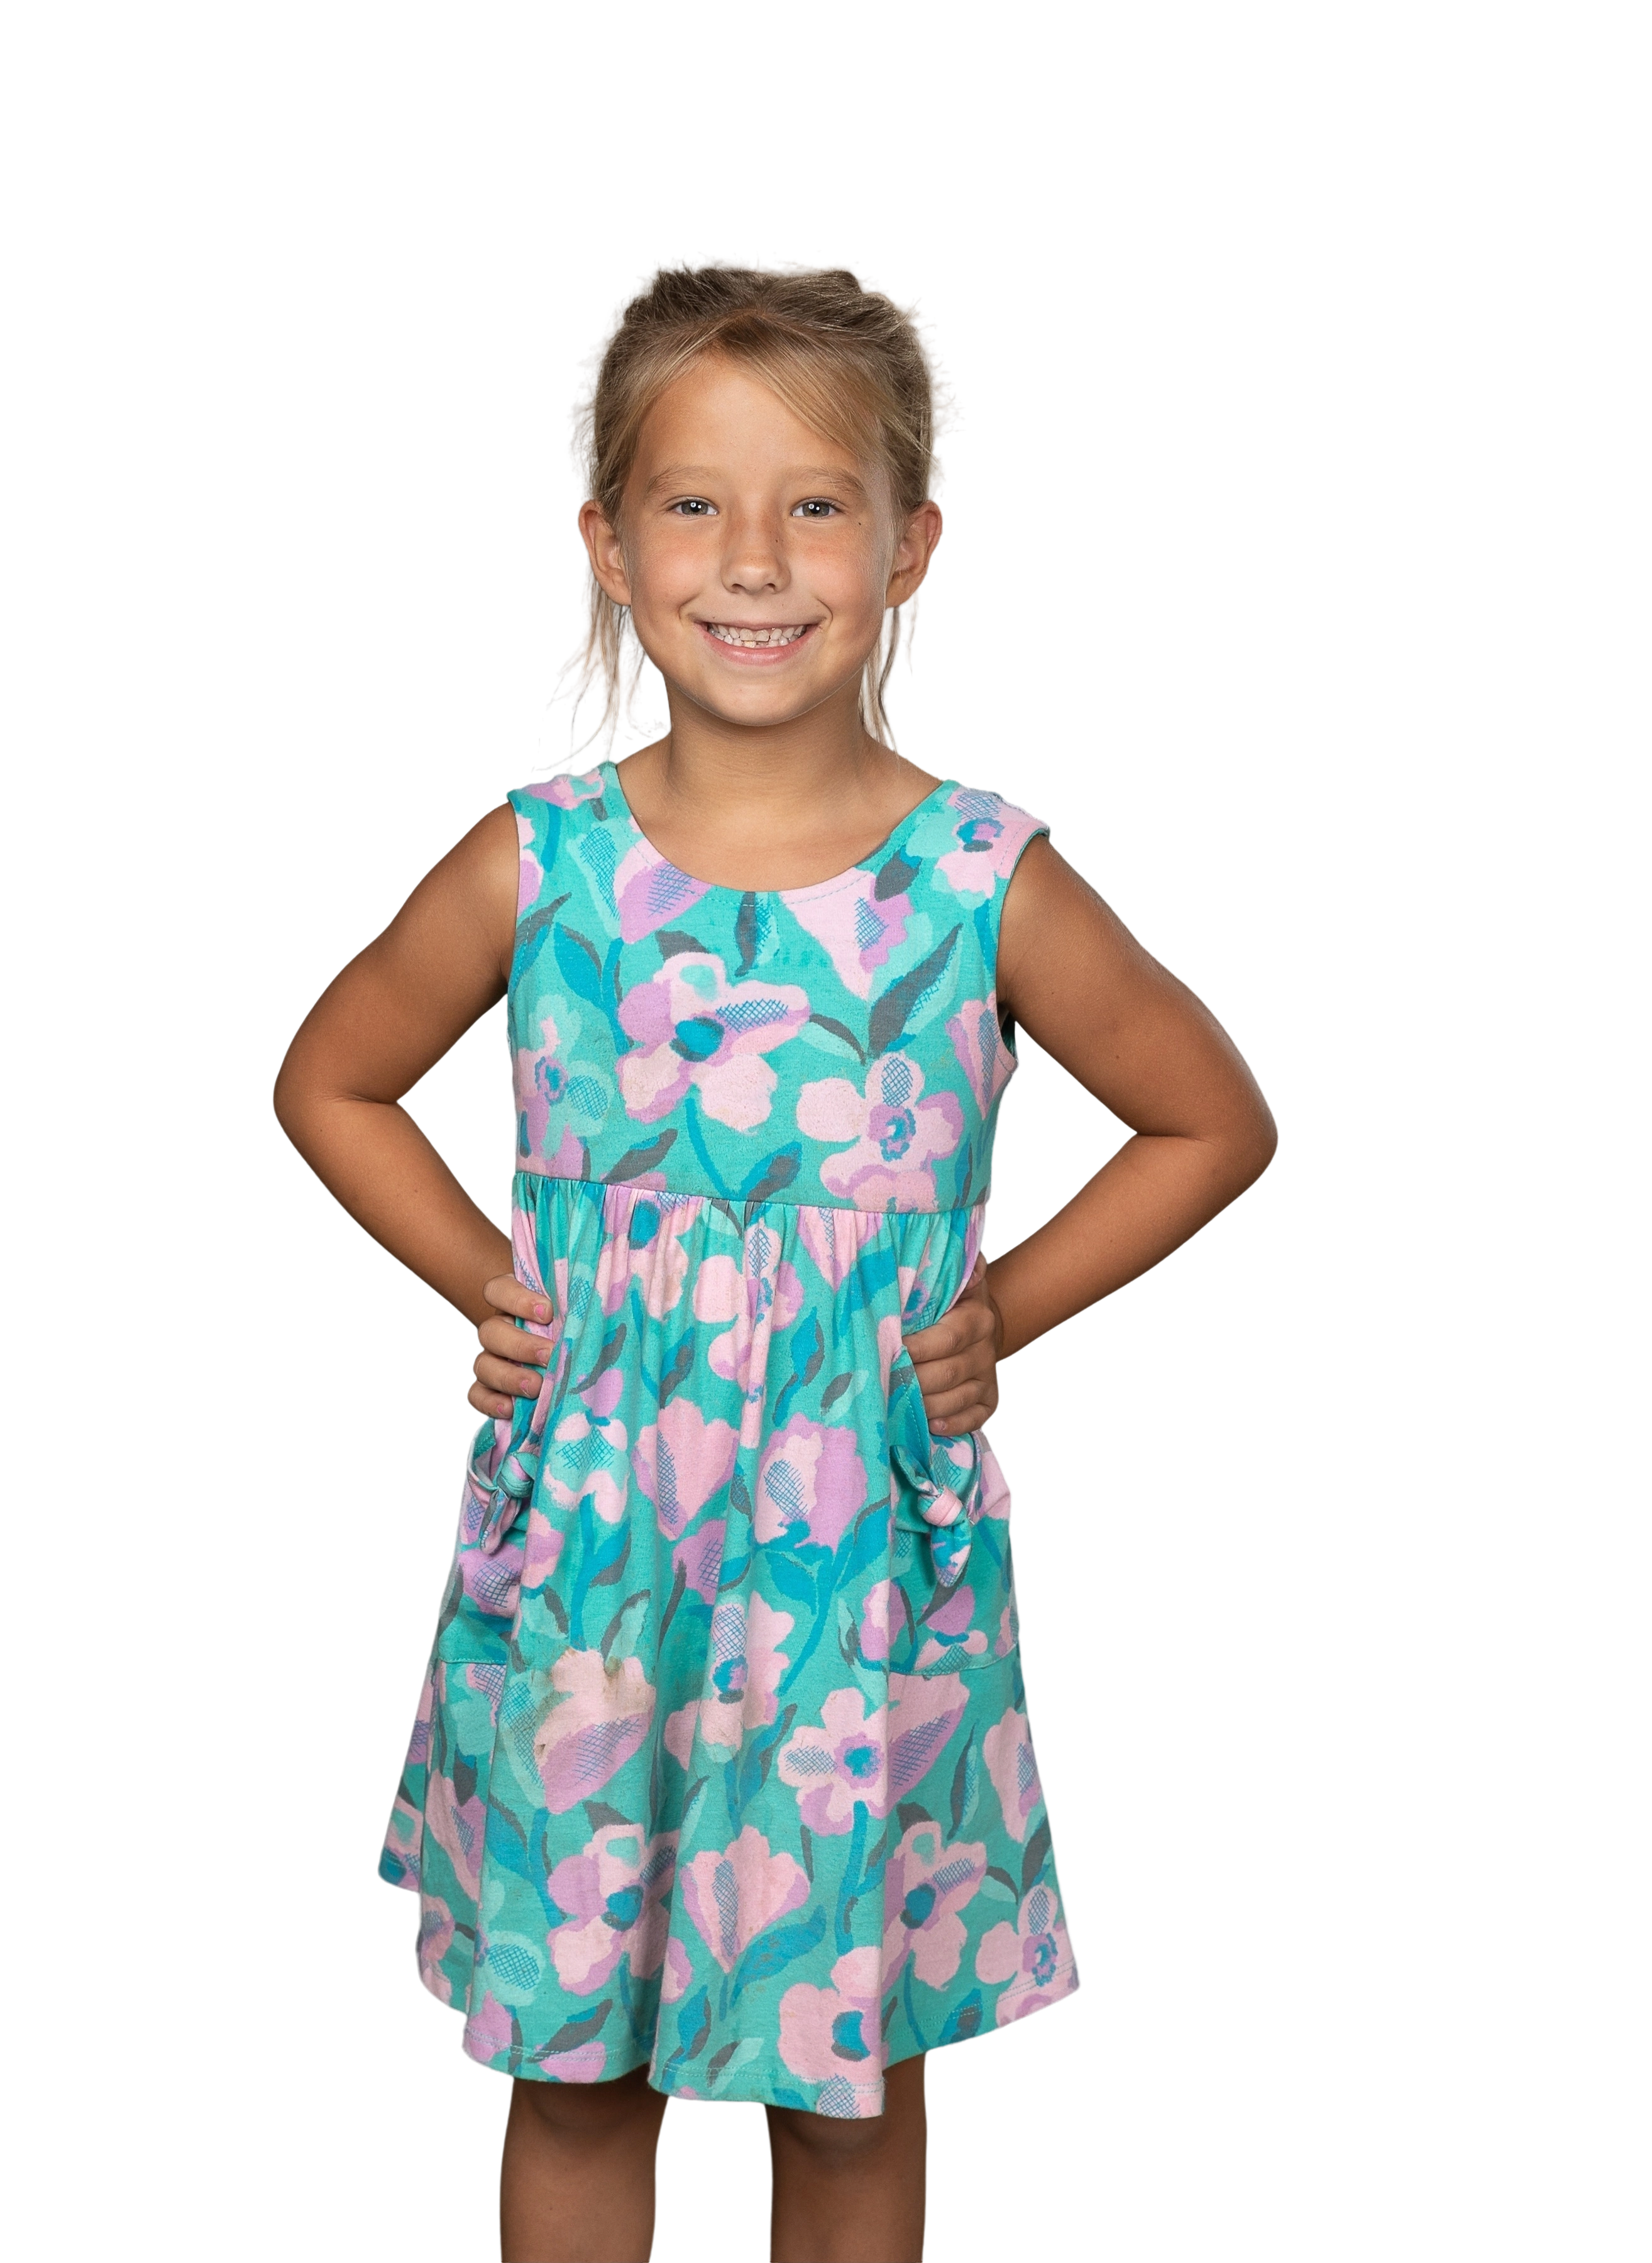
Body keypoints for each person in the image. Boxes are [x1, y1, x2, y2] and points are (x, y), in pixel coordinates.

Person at [269, 250, 1279, 2263]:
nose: (754, 559)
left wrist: (1007, 1308)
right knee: (576, 2074)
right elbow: (333, 1079)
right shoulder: (541, 862)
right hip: (596, 1571)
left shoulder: (981, 879)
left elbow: (1212, 1120)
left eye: (817, 503)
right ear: (609, 546)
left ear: (910, 548)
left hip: (856, 1587)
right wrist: (490, 1283)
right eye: (693, 502)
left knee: (847, 2084)